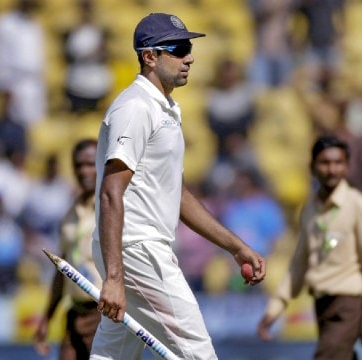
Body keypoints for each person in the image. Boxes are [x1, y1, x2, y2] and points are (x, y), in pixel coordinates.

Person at [90, 13, 266, 359]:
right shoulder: (136, 108)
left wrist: (235, 246)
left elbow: (179, 196)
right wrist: (114, 276)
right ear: (149, 56)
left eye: (189, 48)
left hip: (137, 250)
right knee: (197, 353)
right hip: (136, 249)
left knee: (112, 357)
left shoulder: (166, 109)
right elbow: (111, 192)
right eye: (179, 48)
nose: (190, 57)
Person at [257, 135, 362, 359]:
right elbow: (299, 264)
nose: (332, 169)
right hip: (322, 303)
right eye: (325, 163)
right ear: (312, 167)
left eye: (338, 163)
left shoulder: (360, 207)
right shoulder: (310, 210)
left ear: (347, 166)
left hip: (348, 304)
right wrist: (275, 309)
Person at [34, 139, 101, 360]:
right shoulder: (70, 214)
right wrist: (47, 317)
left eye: (90, 164)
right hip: (75, 312)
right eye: (78, 165)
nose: (84, 171)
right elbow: (61, 270)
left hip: (105, 315)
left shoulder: (112, 207)